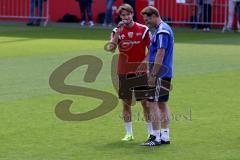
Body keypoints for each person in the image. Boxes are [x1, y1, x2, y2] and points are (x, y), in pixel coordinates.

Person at [105, 4, 153, 141]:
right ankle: (129, 134)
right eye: (123, 15)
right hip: (123, 72)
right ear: (120, 17)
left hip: (140, 72)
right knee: (126, 103)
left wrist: (144, 62)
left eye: (128, 14)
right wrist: (117, 35)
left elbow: (152, 49)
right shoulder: (116, 31)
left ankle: (150, 132)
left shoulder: (143, 29)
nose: (126, 17)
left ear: (132, 14)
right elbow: (110, 49)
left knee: (146, 103)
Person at [141, 6, 174, 146]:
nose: (146, 22)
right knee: (162, 103)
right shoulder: (164, 29)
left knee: (151, 103)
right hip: (165, 72)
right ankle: (165, 135)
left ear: (154, 15)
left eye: (147, 19)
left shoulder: (162, 31)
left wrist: (153, 74)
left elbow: (160, 53)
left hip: (159, 74)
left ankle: (155, 137)